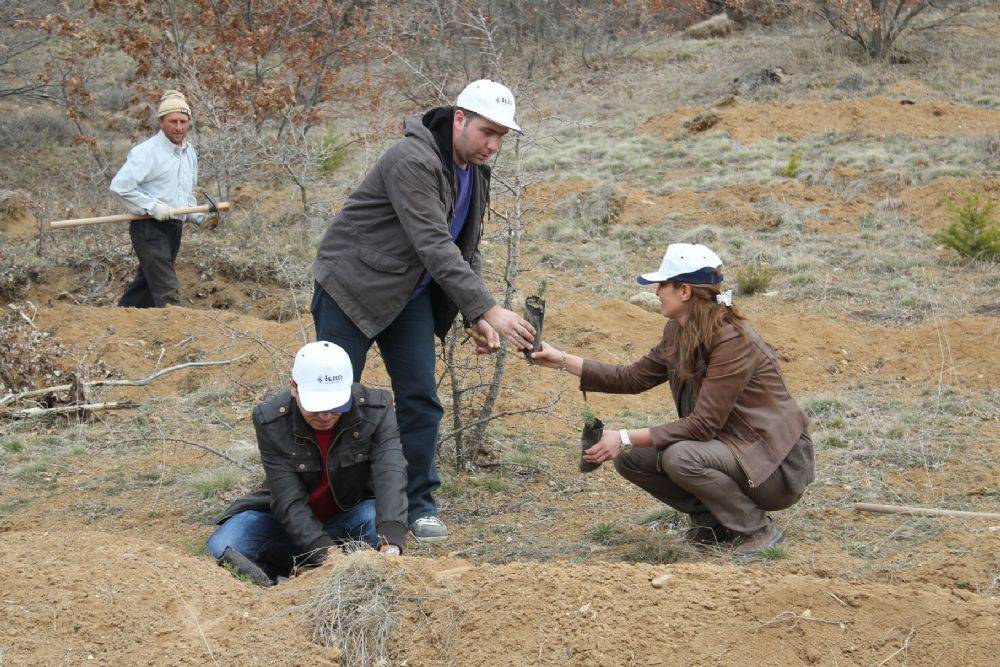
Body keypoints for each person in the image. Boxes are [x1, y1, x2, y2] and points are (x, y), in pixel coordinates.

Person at [310, 79, 535, 542]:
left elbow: (463, 246)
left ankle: (418, 505)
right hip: (351, 286)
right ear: (459, 119)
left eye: (501, 137)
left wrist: (474, 314)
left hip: (405, 295)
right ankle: (317, 500)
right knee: (331, 396)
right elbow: (433, 242)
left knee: (419, 400)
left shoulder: (474, 168)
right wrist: (489, 308)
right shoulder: (411, 159)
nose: (492, 145)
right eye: (485, 132)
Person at [531, 243, 814, 557]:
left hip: (773, 468)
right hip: (733, 452)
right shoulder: (679, 331)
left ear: (684, 291)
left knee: (679, 457)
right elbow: (632, 377)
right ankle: (714, 524)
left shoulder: (733, 340)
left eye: (662, 284)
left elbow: (703, 425)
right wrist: (561, 360)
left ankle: (756, 529)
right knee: (631, 457)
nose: (656, 291)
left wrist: (623, 436)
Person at [207, 341, 409, 582]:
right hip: (285, 523)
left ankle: (310, 569)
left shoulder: (376, 409)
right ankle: (281, 583)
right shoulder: (271, 419)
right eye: (315, 406)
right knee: (223, 546)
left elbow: (391, 472)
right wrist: (327, 557)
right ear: (294, 388)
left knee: (373, 519)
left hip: (348, 515)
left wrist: (391, 543)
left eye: (335, 406)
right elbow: (288, 500)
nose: (325, 416)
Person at [110, 89, 201, 308]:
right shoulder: (147, 152)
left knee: (147, 284)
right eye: (173, 121)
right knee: (166, 287)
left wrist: (191, 210)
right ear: (161, 122)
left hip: (174, 227)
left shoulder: (190, 153)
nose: (178, 127)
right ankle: (177, 329)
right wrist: (152, 206)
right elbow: (119, 187)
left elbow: (186, 191)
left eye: (183, 121)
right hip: (148, 227)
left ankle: (122, 318)